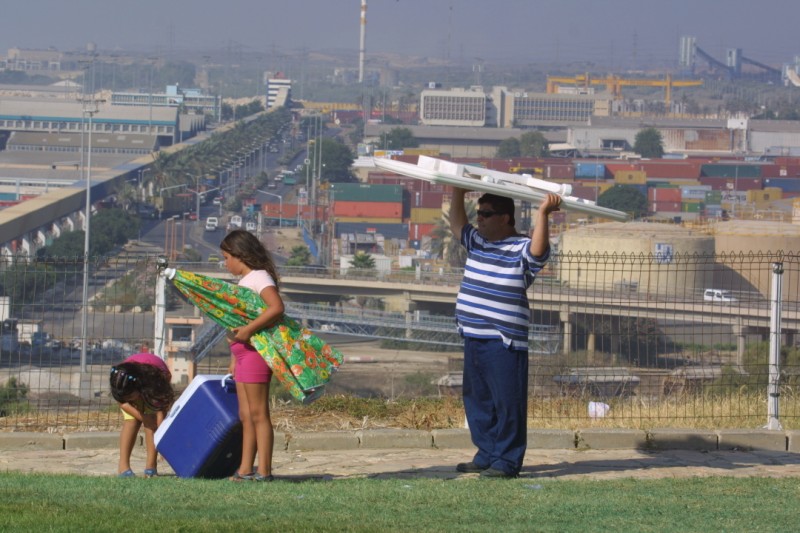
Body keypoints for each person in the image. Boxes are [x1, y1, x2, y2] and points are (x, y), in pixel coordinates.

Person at [449, 188, 561, 478]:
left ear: (505, 218)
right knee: (478, 400)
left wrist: (542, 213)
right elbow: (457, 225)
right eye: (479, 214)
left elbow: (538, 251)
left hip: (504, 340)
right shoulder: (477, 242)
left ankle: (507, 460)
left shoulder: (521, 247)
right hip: (473, 335)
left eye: (486, 214)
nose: (480, 220)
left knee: (507, 402)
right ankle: (485, 453)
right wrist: (457, 191)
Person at [220, 229, 284, 482]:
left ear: (239, 255)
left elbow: (276, 307)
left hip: (256, 354)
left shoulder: (259, 277)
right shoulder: (246, 280)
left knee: (258, 414)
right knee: (245, 415)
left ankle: (264, 471)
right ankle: (245, 468)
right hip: (243, 356)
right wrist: (234, 358)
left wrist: (247, 330)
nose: (225, 264)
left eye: (226, 258)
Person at [109, 352, 174, 478]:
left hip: (153, 384)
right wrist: (143, 417)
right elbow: (123, 403)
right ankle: (123, 467)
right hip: (137, 383)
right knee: (131, 421)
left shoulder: (156, 383)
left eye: (131, 397)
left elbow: (161, 411)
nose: (131, 401)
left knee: (152, 424)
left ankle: (151, 468)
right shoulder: (120, 382)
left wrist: (162, 439)